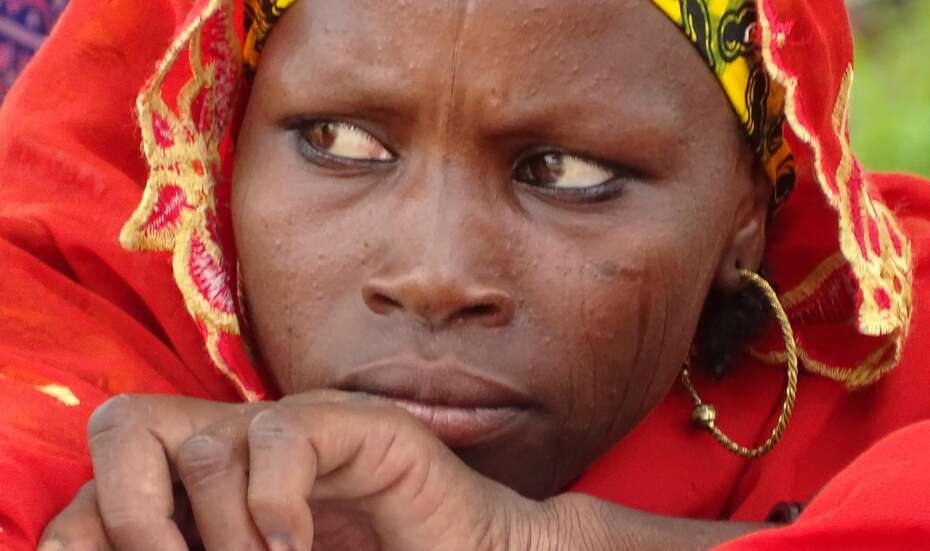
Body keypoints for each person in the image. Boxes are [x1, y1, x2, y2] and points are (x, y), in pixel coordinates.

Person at [1, 0, 929, 549]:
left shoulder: (893, 362)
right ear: (218, 144)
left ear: (748, 217)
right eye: (340, 143)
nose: (434, 275)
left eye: (565, 173)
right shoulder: (79, 322)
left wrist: (530, 539)